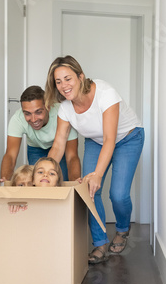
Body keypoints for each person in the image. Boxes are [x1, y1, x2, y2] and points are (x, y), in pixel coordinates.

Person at [45, 55, 145, 264]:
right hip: (96, 141)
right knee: (89, 191)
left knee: (118, 194)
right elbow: (58, 145)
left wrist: (98, 174)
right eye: (58, 81)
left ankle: (122, 229)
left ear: (80, 77)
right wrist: (44, 171)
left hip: (128, 138)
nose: (64, 85)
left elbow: (111, 138)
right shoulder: (65, 108)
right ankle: (99, 243)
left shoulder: (105, 93)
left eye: (68, 78)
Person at [0, 85, 81, 182]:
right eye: (27, 113)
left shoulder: (63, 114)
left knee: (61, 180)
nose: (33, 119)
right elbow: (10, 155)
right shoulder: (18, 119)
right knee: (37, 182)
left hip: (61, 148)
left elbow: (72, 157)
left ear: (48, 106)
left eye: (38, 112)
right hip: (36, 148)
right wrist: (5, 182)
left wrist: (75, 185)